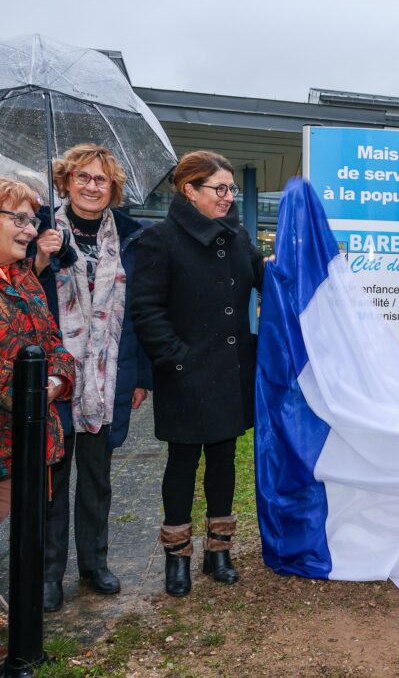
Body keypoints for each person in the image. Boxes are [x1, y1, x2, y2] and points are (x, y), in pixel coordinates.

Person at [131, 151, 265, 597]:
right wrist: (177, 360)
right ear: (189, 190)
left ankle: (219, 550)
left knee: (224, 461)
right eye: (220, 189)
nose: (228, 197)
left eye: (232, 189)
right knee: (183, 463)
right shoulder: (160, 239)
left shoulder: (237, 235)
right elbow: (146, 311)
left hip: (229, 371)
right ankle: (177, 556)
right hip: (186, 373)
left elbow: (266, 278)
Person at [37, 144, 152, 613]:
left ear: (113, 188)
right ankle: (48, 574)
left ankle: (94, 563)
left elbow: (140, 313)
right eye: (82, 177)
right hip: (53, 375)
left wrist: (142, 375)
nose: (91, 186)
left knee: (97, 478)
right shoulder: (37, 227)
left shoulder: (132, 237)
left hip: (107, 377)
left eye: (100, 180)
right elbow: (20, 293)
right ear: (65, 182)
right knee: (53, 478)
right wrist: (41, 260)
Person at [0, 177, 75, 523]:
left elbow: (55, 346)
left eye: (31, 220)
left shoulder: (26, 278)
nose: (29, 230)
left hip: (27, 444)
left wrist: (57, 382)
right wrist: (29, 388)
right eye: (17, 218)